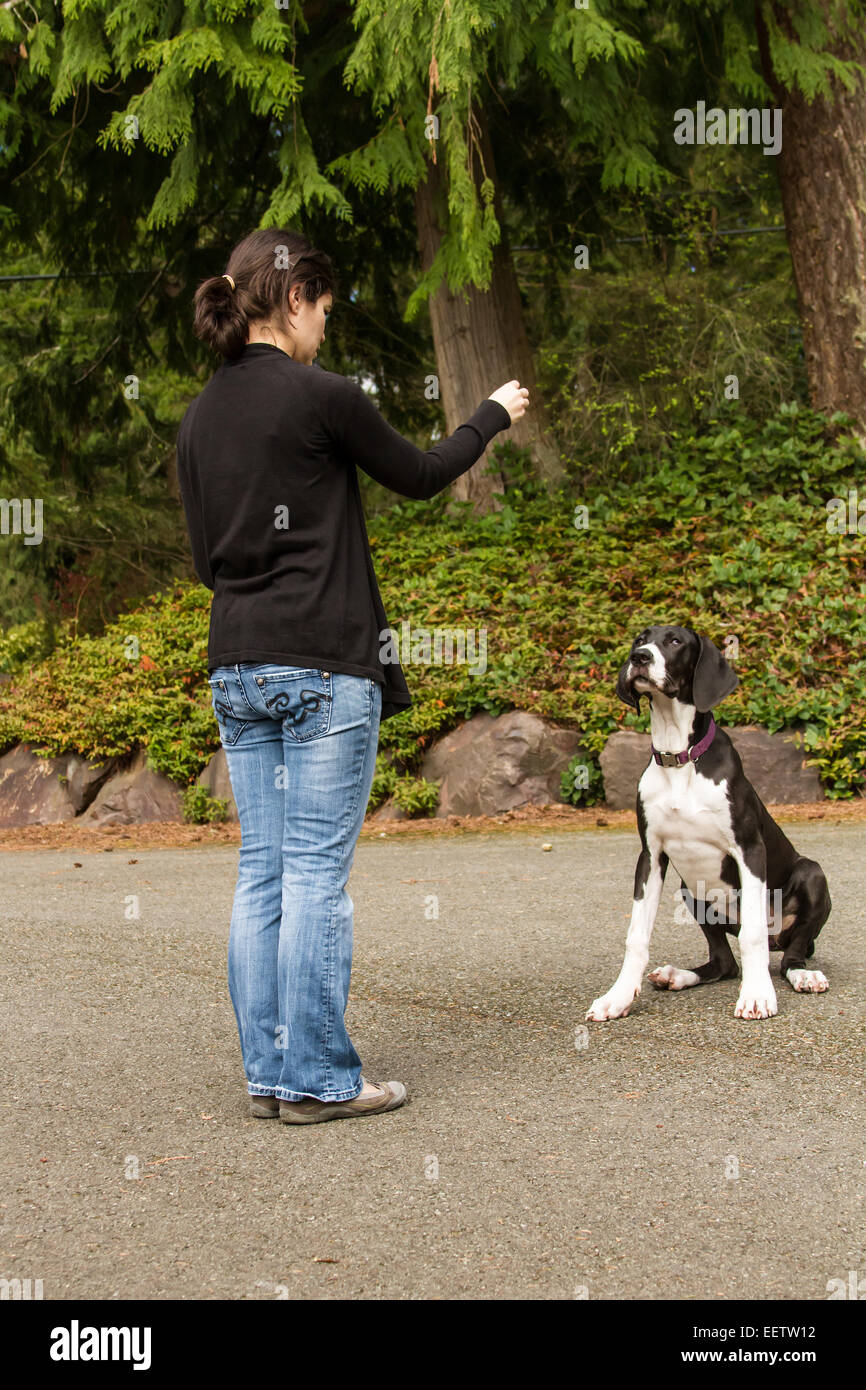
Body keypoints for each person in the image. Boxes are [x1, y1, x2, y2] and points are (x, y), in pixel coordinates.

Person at [175, 227, 529, 1125]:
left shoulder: (199, 417)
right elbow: (420, 473)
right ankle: (322, 1080)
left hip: (236, 663)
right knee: (315, 878)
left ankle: (271, 1072)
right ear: (294, 299)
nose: (326, 329)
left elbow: (204, 559)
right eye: (325, 311)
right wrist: (490, 414)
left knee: (264, 871)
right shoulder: (322, 396)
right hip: (324, 664)